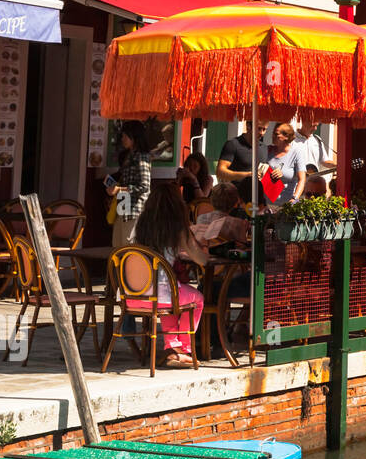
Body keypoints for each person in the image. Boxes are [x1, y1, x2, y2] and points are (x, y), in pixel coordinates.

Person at [132, 184, 207, 368]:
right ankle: (183, 348)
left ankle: (172, 348)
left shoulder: (140, 225)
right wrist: (203, 245)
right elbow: (202, 260)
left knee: (170, 295)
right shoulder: (178, 228)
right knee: (196, 298)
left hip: (133, 296)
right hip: (160, 295)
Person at [108, 120, 152, 249]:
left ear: (134, 137)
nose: (122, 139)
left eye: (125, 136)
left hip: (134, 208)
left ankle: (128, 269)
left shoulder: (142, 157)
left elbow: (144, 186)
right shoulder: (129, 155)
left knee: (128, 245)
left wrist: (119, 189)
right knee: (117, 244)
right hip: (123, 204)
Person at [217, 121, 268, 205]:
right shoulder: (233, 144)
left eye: (264, 129)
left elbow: (263, 174)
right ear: (248, 126)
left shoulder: (264, 148)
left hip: (258, 202)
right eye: (259, 129)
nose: (262, 133)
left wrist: (274, 175)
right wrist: (247, 175)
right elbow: (220, 172)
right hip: (235, 201)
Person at [263, 122, 306, 208]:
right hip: (266, 204)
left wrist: (295, 199)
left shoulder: (296, 152)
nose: (273, 136)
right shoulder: (268, 150)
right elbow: (259, 173)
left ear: (286, 137)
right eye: (273, 133)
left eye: (276, 134)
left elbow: (302, 179)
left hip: (286, 205)